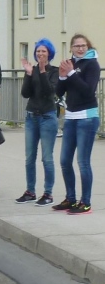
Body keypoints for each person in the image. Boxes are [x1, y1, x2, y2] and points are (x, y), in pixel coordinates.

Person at [53, 34, 100, 215]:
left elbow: (88, 91)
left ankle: (85, 202)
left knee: (83, 162)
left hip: (87, 117)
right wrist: (62, 77)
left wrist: (72, 74)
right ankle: (70, 198)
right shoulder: (69, 63)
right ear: (71, 48)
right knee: (65, 161)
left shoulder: (92, 64)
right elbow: (59, 92)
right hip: (71, 117)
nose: (80, 49)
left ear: (88, 47)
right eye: (76, 46)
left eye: (83, 46)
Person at [16, 38, 59, 207]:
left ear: (49, 54)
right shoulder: (31, 70)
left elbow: (49, 91)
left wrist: (41, 71)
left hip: (47, 116)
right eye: (38, 51)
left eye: (44, 51)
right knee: (29, 158)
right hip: (31, 117)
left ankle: (48, 193)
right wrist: (28, 74)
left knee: (47, 158)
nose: (40, 54)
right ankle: (30, 191)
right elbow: (25, 93)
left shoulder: (54, 71)